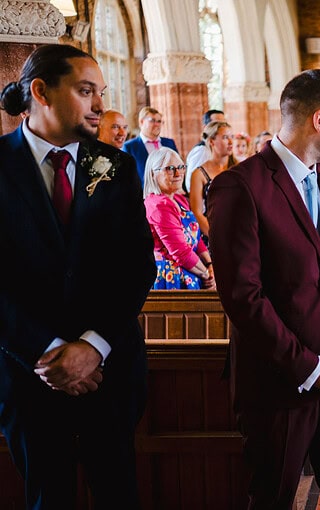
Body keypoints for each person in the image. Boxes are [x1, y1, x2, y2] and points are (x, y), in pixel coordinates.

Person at [207, 69, 320, 510]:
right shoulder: (239, 187)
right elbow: (243, 296)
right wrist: (308, 367)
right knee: (274, 499)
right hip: (280, 384)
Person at [0, 44, 156, 509]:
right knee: (48, 499)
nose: (100, 105)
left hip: (109, 371)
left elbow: (136, 266)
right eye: (86, 91)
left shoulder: (119, 167)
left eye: (101, 92)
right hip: (29, 374)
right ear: (42, 91)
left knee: (117, 493)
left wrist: (93, 346)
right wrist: (48, 353)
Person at [144, 147, 215, 290]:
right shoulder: (158, 205)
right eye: (170, 168)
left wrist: (209, 265)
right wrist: (206, 274)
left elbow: (196, 237)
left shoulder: (179, 199)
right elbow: (181, 252)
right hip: (172, 277)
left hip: (193, 269)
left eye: (181, 167)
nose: (178, 173)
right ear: (153, 173)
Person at [189, 120, 235, 244]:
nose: (231, 142)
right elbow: (197, 212)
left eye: (232, 137)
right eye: (225, 137)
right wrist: (216, 237)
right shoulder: (199, 174)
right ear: (211, 141)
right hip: (213, 232)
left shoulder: (240, 168)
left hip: (240, 229)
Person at [122, 106, 178, 185]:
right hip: (143, 194)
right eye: (152, 121)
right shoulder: (130, 147)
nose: (157, 124)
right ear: (141, 122)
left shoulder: (169, 143)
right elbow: (127, 177)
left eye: (159, 121)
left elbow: (178, 166)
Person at [185, 109, 226, 192]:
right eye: (217, 123)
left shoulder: (219, 151)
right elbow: (191, 185)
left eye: (224, 123)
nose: (222, 127)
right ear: (205, 127)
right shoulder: (202, 150)